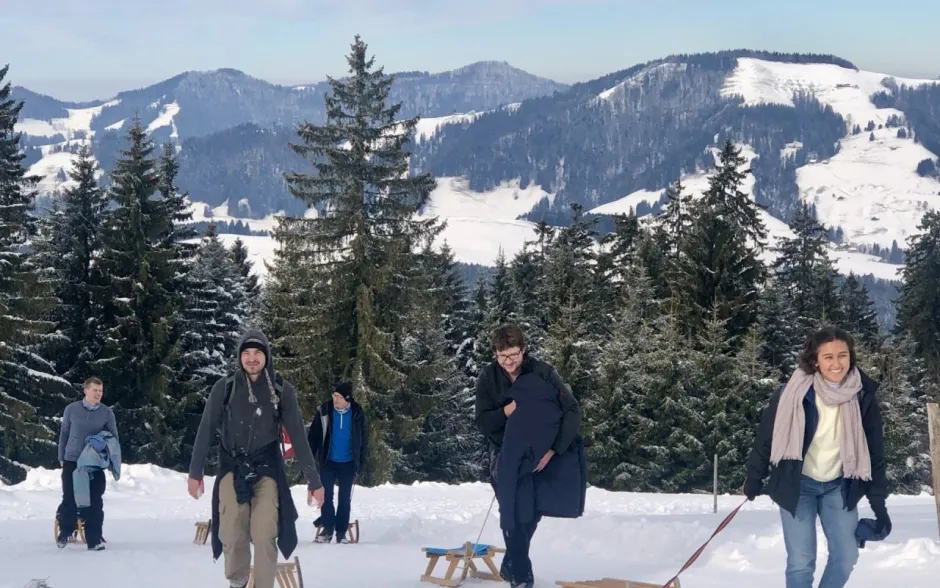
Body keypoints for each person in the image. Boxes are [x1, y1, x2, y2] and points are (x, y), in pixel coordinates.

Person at [744, 326, 890, 588]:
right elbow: (765, 437)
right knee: (801, 561)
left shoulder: (862, 396)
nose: (837, 364)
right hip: (797, 486)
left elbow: (875, 453)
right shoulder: (793, 393)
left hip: (839, 486)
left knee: (846, 557)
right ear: (815, 361)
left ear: (851, 357)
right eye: (828, 357)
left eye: (842, 355)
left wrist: (879, 505)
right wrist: (754, 477)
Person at [188, 329, 325, 588]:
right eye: (246, 353)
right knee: (232, 531)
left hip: (266, 470)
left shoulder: (281, 390)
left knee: (264, 534)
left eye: (257, 353)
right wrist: (195, 473)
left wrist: (314, 481)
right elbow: (205, 429)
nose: (252, 359)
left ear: (266, 356)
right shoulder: (225, 387)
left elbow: (299, 436)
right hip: (232, 467)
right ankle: (237, 583)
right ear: (240, 357)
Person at [474, 323, 581, 588]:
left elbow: (571, 410)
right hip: (503, 454)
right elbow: (482, 421)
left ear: (523, 349)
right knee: (511, 510)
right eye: (502, 356)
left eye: (512, 355)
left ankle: (513, 560)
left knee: (531, 512)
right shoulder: (489, 377)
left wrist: (555, 449)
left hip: (539, 453)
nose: (508, 362)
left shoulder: (543, 372)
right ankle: (522, 576)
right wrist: (505, 413)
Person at [56, 376, 120, 551]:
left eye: (100, 391)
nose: (98, 394)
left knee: (95, 500)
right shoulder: (71, 409)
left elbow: (113, 438)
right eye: (95, 390)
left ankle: (94, 539)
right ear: (86, 390)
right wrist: (61, 456)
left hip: (94, 462)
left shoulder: (107, 413)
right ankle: (66, 532)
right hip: (72, 459)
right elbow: (64, 434)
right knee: (70, 497)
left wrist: (105, 450)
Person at [307, 381, 369, 543]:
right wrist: (309, 460)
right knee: (326, 496)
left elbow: (363, 440)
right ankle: (327, 529)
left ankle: (341, 532)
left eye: (340, 397)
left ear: (347, 398)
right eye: (334, 396)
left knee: (344, 498)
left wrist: (360, 464)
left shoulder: (357, 412)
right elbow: (313, 436)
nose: (336, 399)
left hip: (349, 462)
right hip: (328, 460)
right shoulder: (324, 410)